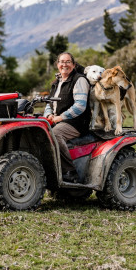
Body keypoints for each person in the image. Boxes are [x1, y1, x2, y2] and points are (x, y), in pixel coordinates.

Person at [43, 52, 91, 182]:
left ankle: (70, 171)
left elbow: (80, 105)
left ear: (74, 65)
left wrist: (61, 117)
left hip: (76, 122)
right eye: (62, 62)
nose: (64, 64)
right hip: (58, 120)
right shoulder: (56, 82)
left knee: (55, 134)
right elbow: (49, 103)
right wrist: (49, 114)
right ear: (57, 64)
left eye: (68, 62)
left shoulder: (79, 80)